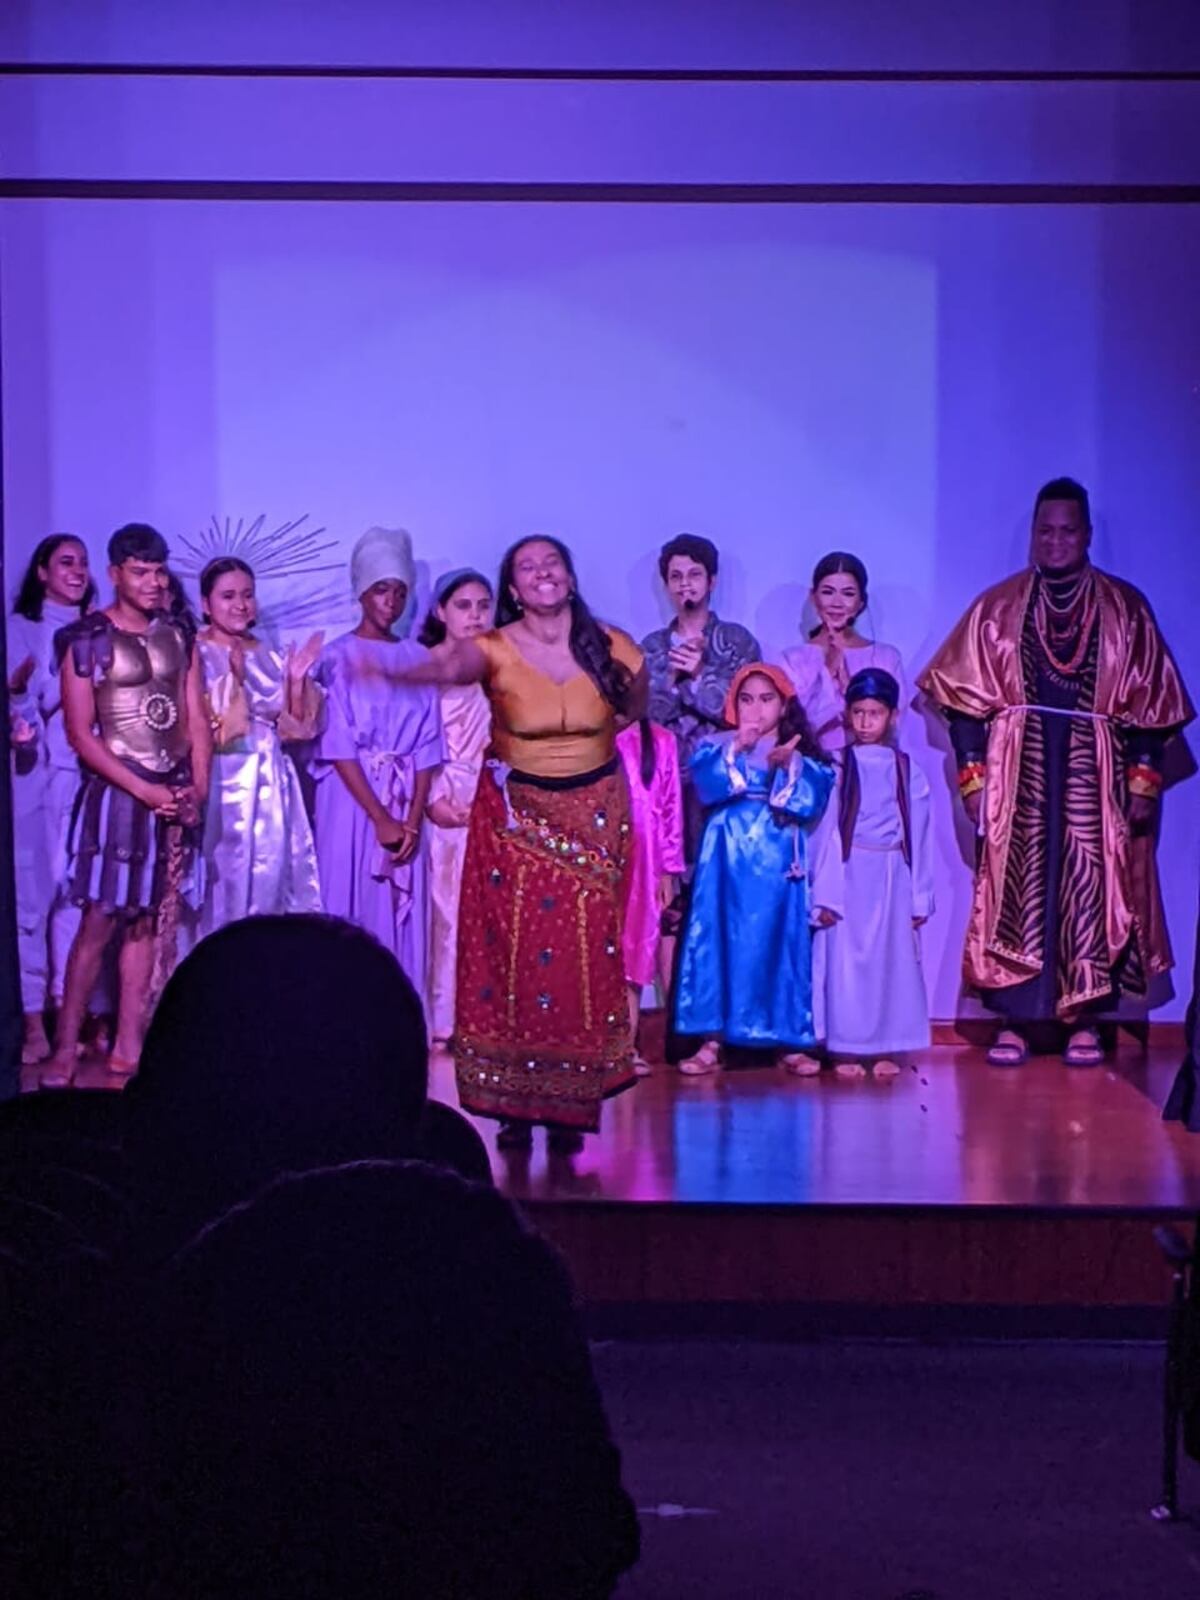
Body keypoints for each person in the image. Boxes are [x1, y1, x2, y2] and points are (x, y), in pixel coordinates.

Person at [920, 477, 1193, 1066]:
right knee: (1016, 889)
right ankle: (1015, 1023)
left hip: (1096, 774)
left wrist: (1144, 780)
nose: (1056, 541)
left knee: (1093, 889)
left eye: (1068, 530)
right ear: (1033, 536)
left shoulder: (1125, 606)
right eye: (1045, 530)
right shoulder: (999, 606)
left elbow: (1153, 708)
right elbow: (962, 704)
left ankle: (1085, 1024)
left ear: (1087, 534)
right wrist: (972, 780)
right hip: (1020, 769)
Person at [390, 536, 646, 1152]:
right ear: (512, 589)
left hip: (594, 816)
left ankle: (569, 1103)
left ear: (570, 576)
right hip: (516, 820)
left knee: (579, 961)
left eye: (552, 563)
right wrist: (378, 664)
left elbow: (636, 706)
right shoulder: (493, 649)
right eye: (527, 568)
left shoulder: (610, 645)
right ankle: (514, 1103)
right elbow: (440, 669)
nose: (542, 574)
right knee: (517, 958)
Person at [40, 524, 210, 1088]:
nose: (154, 581)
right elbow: (80, 734)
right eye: (140, 570)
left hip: (170, 790)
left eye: (159, 570)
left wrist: (196, 792)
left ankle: (130, 1044)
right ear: (115, 574)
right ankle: (64, 1047)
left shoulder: (178, 634)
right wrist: (144, 790)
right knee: (99, 920)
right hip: (117, 793)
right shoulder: (86, 637)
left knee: (144, 923)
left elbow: (195, 716)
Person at [673, 663, 838, 1076]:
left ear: (783, 706)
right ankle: (711, 1038)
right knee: (718, 940)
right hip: (726, 856)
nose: (756, 709)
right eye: (747, 699)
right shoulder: (716, 745)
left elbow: (811, 799)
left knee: (780, 943)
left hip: (779, 854)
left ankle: (790, 1039)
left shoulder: (799, 751)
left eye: (767, 699)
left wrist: (789, 766)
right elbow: (708, 787)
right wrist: (736, 751)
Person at [313, 527, 444, 999]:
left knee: (400, 905)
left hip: (404, 796)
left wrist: (410, 820)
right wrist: (380, 816)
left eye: (399, 591)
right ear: (361, 592)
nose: (391, 601)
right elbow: (337, 743)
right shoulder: (334, 657)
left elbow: (429, 744)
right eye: (380, 589)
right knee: (350, 904)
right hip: (352, 799)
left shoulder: (418, 658)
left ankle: (398, 1022)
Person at [192, 557, 323, 938]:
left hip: (269, 779)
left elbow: (296, 730)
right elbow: (204, 722)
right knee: (223, 876)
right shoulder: (194, 652)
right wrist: (231, 678)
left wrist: (296, 681)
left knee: (270, 872)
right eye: (228, 596)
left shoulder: (268, 653)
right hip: (221, 778)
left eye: (247, 595)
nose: (240, 605)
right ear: (205, 604)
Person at [7, 534, 96, 1063]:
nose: (77, 571)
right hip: (41, 780)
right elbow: (23, 706)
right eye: (66, 562)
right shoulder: (23, 630)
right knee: (34, 900)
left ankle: (71, 1012)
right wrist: (19, 704)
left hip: (92, 780)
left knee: (79, 901)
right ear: (41, 572)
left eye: (84, 563)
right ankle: (32, 1019)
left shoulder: (100, 629)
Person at [821, 668, 934, 1080]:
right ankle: (847, 1046)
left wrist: (920, 895)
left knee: (891, 960)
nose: (866, 722)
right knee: (848, 961)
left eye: (875, 713)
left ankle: (885, 1045)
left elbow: (917, 834)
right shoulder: (836, 765)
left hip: (891, 874)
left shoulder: (906, 769)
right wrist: (827, 892)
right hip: (851, 872)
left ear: (892, 716)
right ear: (847, 715)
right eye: (859, 712)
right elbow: (829, 830)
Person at [641, 533, 761, 858]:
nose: (685, 585)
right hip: (666, 784)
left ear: (712, 581)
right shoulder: (651, 648)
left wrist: (700, 675)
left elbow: (751, 714)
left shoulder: (737, 642)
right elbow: (642, 717)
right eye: (676, 577)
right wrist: (669, 680)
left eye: (694, 575)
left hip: (726, 781)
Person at [417, 569, 494, 1044]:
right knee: (446, 910)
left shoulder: (503, 667)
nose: (475, 615)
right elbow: (413, 744)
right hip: (444, 797)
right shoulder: (427, 669)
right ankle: (446, 1017)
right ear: (441, 611)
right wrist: (431, 800)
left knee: (493, 910)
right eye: (464, 605)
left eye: (483, 605)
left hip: (493, 799)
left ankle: (487, 1018)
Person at [615, 717, 685, 1073]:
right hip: (596, 850)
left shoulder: (659, 739)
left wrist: (670, 869)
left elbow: (671, 805)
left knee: (636, 946)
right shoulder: (589, 732)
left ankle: (626, 1046)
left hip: (645, 860)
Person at [781, 551, 901, 751]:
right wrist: (826, 672)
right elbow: (792, 727)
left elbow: (895, 726)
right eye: (828, 592)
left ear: (861, 602)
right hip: (811, 768)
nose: (837, 603)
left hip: (869, 769)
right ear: (813, 597)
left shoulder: (886, 657)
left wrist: (850, 691)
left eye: (848, 594)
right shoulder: (792, 659)